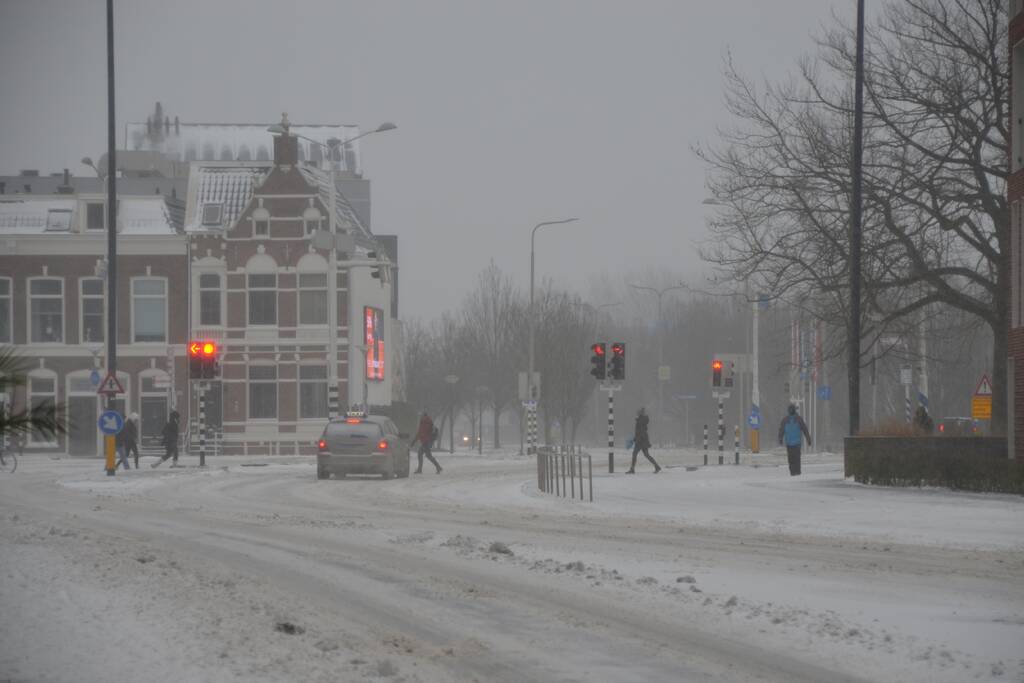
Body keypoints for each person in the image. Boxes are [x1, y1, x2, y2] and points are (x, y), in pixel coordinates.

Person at [777, 404, 812, 476]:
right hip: (791, 443)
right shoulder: (786, 420)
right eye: (790, 409)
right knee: (792, 459)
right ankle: (793, 472)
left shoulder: (797, 419)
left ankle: (796, 472)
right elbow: (781, 430)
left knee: (795, 458)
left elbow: (804, 429)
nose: (790, 411)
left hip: (795, 443)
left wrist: (808, 439)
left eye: (791, 409)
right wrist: (780, 438)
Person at [626, 407, 661, 474]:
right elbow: (639, 432)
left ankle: (632, 469)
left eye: (637, 413)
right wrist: (635, 438)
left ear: (639, 414)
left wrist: (637, 439)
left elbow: (640, 432)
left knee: (635, 454)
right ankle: (657, 466)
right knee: (646, 455)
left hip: (640, 441)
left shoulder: (640, 421)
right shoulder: (641, 420)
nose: (636, 414)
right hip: (643, 440)